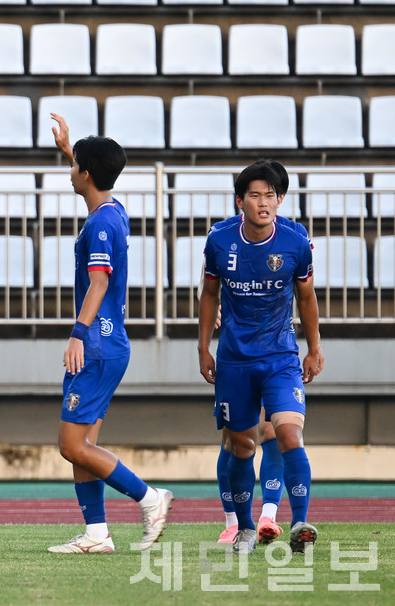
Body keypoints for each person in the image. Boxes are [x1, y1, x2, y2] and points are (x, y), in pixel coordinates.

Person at [46, 114, 173, 555]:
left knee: (71, 444)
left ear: (85, 173)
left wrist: (78, 334)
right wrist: (70, 147)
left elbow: (98, 281)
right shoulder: (112, 210)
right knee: (83, 445)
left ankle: (149, 498)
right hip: (109, 342)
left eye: (73, 164)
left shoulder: (100, 223)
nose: (70, 170)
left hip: (96, 344)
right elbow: (94, 174)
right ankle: (97, 534)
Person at [198, 160, 324, 554]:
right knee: (241, 447)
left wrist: (315, 347)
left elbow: (306, 296)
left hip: (281, 356)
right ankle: (246, 529)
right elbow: (209, 295)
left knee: (288, 432)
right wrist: (203, 346)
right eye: (255, 195)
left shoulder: (295, 241)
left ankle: (300, 521)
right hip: (234, 360)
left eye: (271, 195)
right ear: (241, 201)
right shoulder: (219, 241)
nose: (264, 202)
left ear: (280, 199)